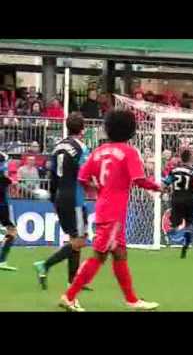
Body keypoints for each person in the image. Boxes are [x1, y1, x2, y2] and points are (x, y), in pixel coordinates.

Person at [58, 110, 163, 312]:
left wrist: (99, 188)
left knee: (120, 254)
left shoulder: (99, 151)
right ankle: (69, 296)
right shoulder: (129, 152)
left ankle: (132, 300)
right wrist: (158, 187)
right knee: (99, 255)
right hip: (114, 213)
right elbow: (139, 180)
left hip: (104, 207)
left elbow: (82, 178)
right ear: (130, 129)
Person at [33, 114, 91, 291]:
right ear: (82, 130)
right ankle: (45, 264)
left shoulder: (57, 147)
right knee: (80, 240)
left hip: (60, 196)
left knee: (74, 238)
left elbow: (52, 174)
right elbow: (85, 174)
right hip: (75, 198)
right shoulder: (81, 147)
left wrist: (53, 197)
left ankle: (73, 281)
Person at [161, 149, 193, 259]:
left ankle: (173, 231)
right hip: (189, 200)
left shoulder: (174, 170)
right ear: (190, 158)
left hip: (176, 199)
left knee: (176, 223)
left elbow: (166, 183)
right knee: (189, 225)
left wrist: (159, 190)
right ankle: (185, 247)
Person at [0, 152, 18, 271]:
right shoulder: (4, 177)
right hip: (2, 204)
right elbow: (6, 179)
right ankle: (2, 261)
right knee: (12, 231)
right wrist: (12, 182)